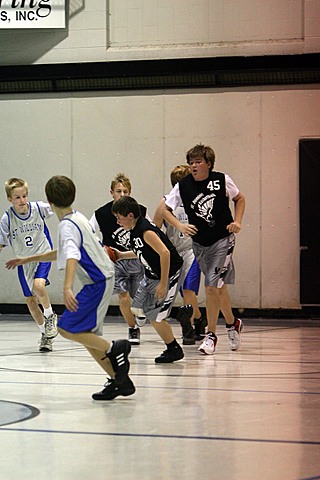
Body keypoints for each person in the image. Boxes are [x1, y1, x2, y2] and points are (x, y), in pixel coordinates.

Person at [5, 175, 135, 401]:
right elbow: (62, 251)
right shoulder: (78, 218)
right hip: (101, 278)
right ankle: (119, 381)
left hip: (98, 281)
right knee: (86, 336)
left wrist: (67, 288)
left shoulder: (66, 226)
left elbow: (72, 256)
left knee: (66, 327)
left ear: (49, 200)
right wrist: (27, 259)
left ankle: (115, 347)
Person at [163, 144, 245, 355]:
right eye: (191, 162)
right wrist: (180, 225)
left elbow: (240, 198)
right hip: (200, 243)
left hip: (222, 239)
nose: (194, 166)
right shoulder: (183, 185)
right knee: (219, 288)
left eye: (198, 162)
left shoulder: (221, 180)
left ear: (208, 163)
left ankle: (211, 335)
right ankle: (232, 323)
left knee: (210, 287)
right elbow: (164, 210)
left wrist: (237, 221)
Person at [111, 196, 185, 363]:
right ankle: (179, 313)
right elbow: (142, 251)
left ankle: (173, 348)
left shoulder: (145, 231)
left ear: (130, 215)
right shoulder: (134, 230)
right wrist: (122, 255)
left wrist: (164, 283)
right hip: (151, 275)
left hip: (170, 273)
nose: (117, 222)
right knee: (137, 310)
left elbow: (164, 253)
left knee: (156, 317)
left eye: (119, 217)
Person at [0, 178, 58, 352]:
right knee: (31, 302)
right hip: (23, 262)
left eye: (24, 196)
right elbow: (1, 243)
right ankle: (45, 335)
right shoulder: (7, 219)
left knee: (38, 286)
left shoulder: (38, 208)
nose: (22, 200)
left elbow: (57, 207)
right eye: (17, 197)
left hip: (42, 255)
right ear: (10, 199)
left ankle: (50, 316)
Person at [90, 173, 147, 345]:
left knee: (138, 301)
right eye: (118, 191)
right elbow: (88, 233)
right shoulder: (101, 213)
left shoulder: (140, 211)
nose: (122, 195)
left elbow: (151, 232)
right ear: (111, 192)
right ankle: (133, 328)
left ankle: (139, 313)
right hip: (115, 261)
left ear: (130, 193)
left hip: (136, 259)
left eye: (125, 191)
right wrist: (100, 250)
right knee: (123, 297)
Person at [153, 164, 207, 345]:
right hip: (176, 253)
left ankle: (188, 328)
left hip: (193, 250)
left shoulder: (196, 199)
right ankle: (199, 318)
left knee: (188, 290)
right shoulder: (166, 202)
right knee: (181, 294)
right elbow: (154, 229)